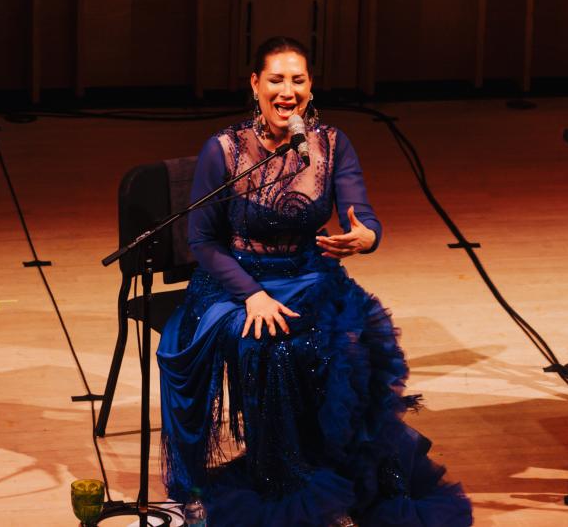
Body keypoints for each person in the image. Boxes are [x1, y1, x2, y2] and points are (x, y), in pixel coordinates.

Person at [157, 36, 473, 526]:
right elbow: (203, 241)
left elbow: (360, 213)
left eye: (298, 80)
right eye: (277, 80)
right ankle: (280, 478)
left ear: (310, 87)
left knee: (349, 346)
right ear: (255, 85)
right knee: (272, 350)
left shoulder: (332, 143)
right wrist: (253, 296)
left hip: (309, 275)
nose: (288, 91)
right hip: (236, 281)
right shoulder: (223, 149)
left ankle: (336, 474)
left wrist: (366, 236)